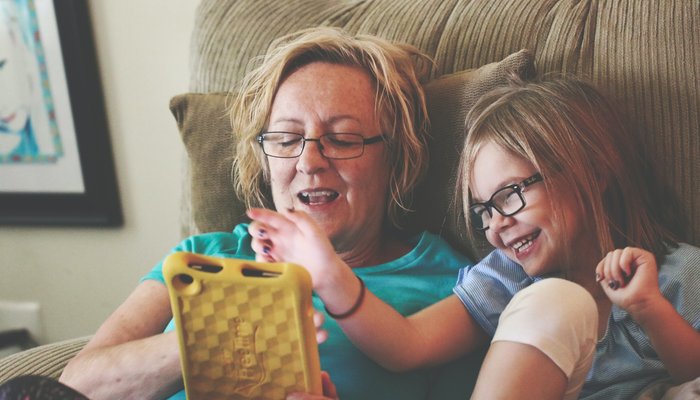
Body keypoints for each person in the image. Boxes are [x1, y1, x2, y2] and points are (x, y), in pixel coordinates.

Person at [58, 27, 480, 400]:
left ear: (396, 158)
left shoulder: (452, 288)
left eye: (343, 138)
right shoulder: (201, 257)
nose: (309, 161)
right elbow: (75, 389)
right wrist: (215, 335)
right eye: (286, 138)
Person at [248, 76, 700, 399]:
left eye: (509, 196)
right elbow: (407, 345)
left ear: (593, 171)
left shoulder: (681, 273)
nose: (494, 226)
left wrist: (648, 309)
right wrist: (329, 274)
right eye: (482, 210)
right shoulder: (508, 280)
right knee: (558, 300)